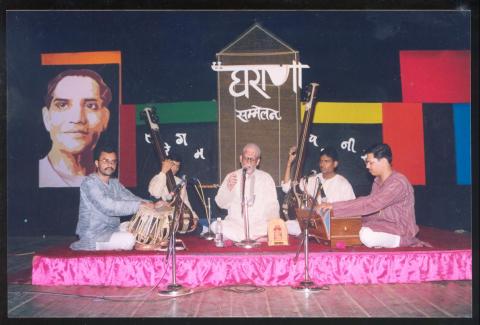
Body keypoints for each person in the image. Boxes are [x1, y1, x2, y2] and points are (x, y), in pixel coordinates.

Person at [316, 143, 430, 248]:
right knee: (351, 228)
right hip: (381, 225)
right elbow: (371, 208)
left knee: (366, 235)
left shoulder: (398, 183)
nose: (367, 166)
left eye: (371, 162)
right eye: (367, 162)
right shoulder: (377, 181)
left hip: (400, 229)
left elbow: (371, 204)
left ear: (384, 161)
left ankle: (406, 241)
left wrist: (334, 207)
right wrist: (348, 219)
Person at [70, 145, 164, 251]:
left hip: (113, 230)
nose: (110, 164)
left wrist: (152, 204)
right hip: (94, 235)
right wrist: (140, 206)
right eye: (105, 161)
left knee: (134, 225)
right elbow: (108, 206)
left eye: (113, 161)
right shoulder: (89, 183)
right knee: (129, 239)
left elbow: (129, 197)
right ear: (97, 163)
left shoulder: (114, 183)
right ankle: (140, 245)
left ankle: (139, 244)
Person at [39, 69, 112, 187]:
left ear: (105, 119)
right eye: (62, 105)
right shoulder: (28, 176)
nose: (77, 118)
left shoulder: (115, 182)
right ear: (47, 118)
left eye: (91, 106)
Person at [212, 143, 280, 242]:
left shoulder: (266, 179)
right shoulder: (231, 177)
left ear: (258, 162)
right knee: (216, 226)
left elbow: (273, 207)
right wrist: (228, 189)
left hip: (258, 226)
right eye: (246, 158)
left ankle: (244, 238)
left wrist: (273, 227)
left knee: (269, 227)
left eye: (252, 159)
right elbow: (220, 204)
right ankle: (252, 238)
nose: (248, 162)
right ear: (240, 159)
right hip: (236, 225)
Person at [281, 146, 356, 235]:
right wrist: (289, 163)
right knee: (286, 225)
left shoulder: (343, 184)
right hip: (311, 224)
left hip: (332, 225)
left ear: (335, 164)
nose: (322, 164)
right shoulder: (312, 179)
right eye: (321, 161)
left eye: (326, 161)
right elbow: (287, 188)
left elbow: (352, 209)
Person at [148, 153, 199, 223]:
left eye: (177, 166)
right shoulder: (157, 178)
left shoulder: (180, 181)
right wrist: (163, 172)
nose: (175, 168)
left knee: (198, 227)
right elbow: (156, 194)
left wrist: (193, 217)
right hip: (160, 217)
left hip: (176, 217)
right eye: (172, 164)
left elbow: (185, 201)